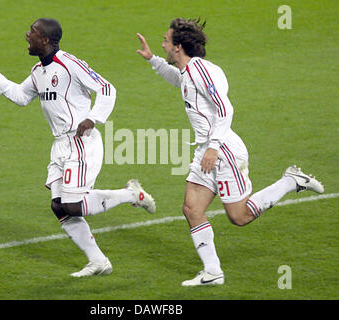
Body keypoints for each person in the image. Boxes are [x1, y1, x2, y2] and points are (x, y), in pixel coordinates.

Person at [136, 18, 324, 286]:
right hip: (208, 149)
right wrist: (152, 59)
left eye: (166, 40)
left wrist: (212, 148)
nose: (163, 43)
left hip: (222, 151)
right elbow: (179, 81)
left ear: (178, 47)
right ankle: (213, 272)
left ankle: (291, 181)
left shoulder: (202, 71)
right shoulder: (189, 72)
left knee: (239, 216)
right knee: (192, 209)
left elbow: (225, 109)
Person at [0, 18, 156, 278]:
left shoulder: (70, 64)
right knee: (59, 206)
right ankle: (98, 261)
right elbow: (21, 97)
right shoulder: (37, 71)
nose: (27, 35)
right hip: (60, 145)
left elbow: (107, 88)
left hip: (82, 142)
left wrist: (93, 117)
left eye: (32, 32)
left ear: (44, 40)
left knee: (74, 205)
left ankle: (132, 195)